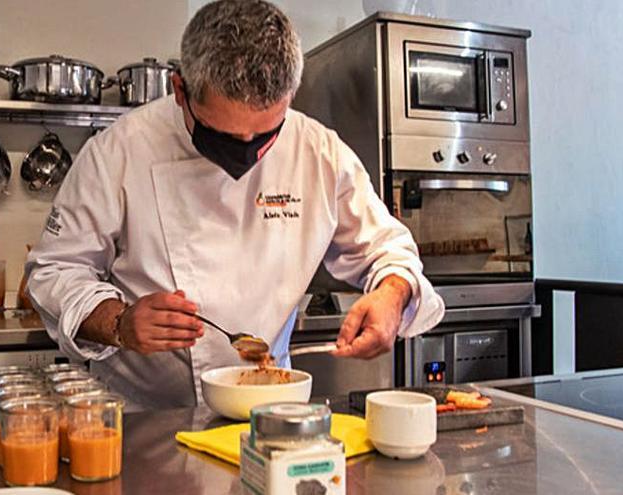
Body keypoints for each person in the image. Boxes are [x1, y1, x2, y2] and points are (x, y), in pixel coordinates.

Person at [26, 0, 445, 410]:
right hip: (143, 419)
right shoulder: (118, 150)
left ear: (290, 97)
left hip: (268, 407)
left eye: (266, 135)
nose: (246, 153)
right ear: (179, 89)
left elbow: (387, 250)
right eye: (223, 135)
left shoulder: (319, 151)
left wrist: (391, 296)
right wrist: (118, 322)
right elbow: (55, 271)